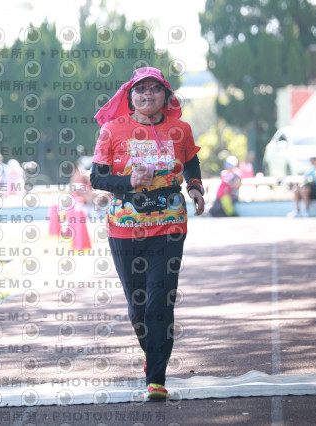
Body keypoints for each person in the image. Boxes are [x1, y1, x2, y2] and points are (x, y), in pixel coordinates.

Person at [90, 67, 205, 400]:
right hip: (125, 227)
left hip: (169, 225)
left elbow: (191, 160)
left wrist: (195, 186)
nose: (147, 94)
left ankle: (156, 377)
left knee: (160, 300)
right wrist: (128, 182)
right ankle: (151, 352)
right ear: (130, 97)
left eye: (155, 88)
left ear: (166, 96)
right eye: (140, 89)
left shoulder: (180, 129)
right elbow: (97, 178)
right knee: (138, 306)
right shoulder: (112, 130)